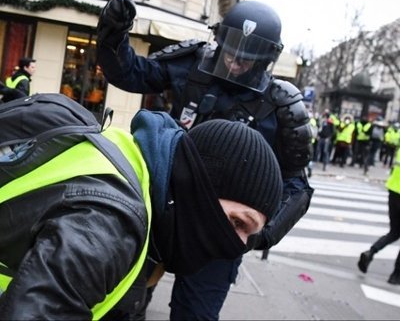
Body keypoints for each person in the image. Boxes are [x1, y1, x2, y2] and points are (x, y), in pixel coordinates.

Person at [96, 0, 314, 320]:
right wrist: (113, 34)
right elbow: (130, 73)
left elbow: (298, 187)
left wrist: (256, 235)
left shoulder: (281, 106)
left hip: (220, 231)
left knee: (195, 316)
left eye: (246, 58)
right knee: (119, 303)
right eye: (231, 51)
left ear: (266, 59)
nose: (235, 62)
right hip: (163, 209)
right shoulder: (194, 64)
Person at [0, 108, 283, 319]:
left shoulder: (140, 169)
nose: (238, 245)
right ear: (201, 185)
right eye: (237, 222)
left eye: (250, 235)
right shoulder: (110, 226)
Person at [357, 146, 400, 285]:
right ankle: (396, 275)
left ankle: (371, 252)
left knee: (394, 231)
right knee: (395, 232)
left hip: (394, 191)